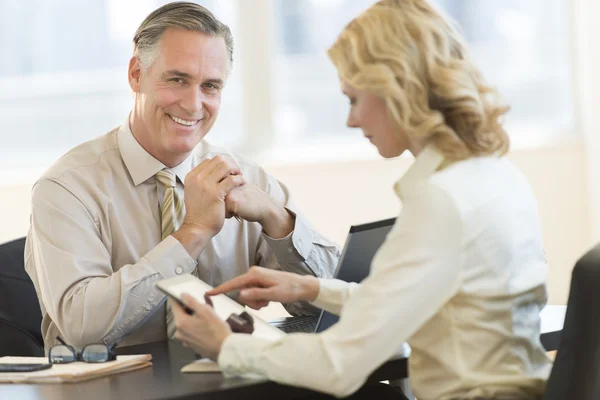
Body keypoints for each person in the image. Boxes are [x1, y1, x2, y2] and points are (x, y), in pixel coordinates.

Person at [170, 0, 553, 399]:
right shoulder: (495, 175)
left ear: (397, 89)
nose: (351, 120)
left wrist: (227, 346)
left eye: (354, 99)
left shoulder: (441, 203)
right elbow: (412, 297)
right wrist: (309, 288)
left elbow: (338, 367)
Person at [24, 2, 339, 352]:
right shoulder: (67, 188)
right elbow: (83, 328)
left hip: (232, 381)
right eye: (177, 80)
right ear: (136, 74)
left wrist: (278, 220)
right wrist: (193, 232)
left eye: (210, 86)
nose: (193, 104)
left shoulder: (247, 178)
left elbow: (334, 308)